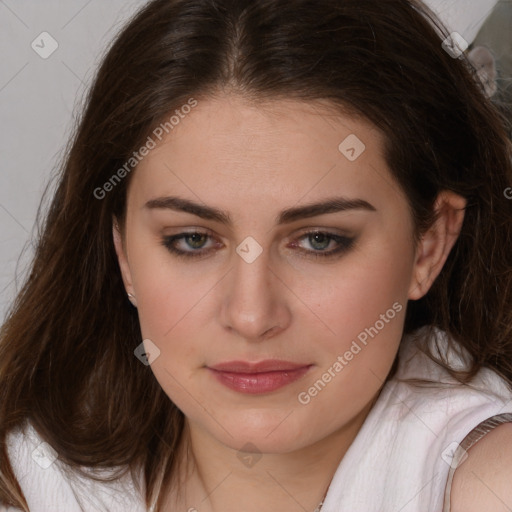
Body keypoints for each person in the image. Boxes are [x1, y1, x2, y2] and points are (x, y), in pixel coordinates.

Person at [1, 0, 512, 511]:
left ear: (429, 246)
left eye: (319, 240)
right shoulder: (28, 478)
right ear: (124, 254)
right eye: (193, 240)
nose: (251, 316)